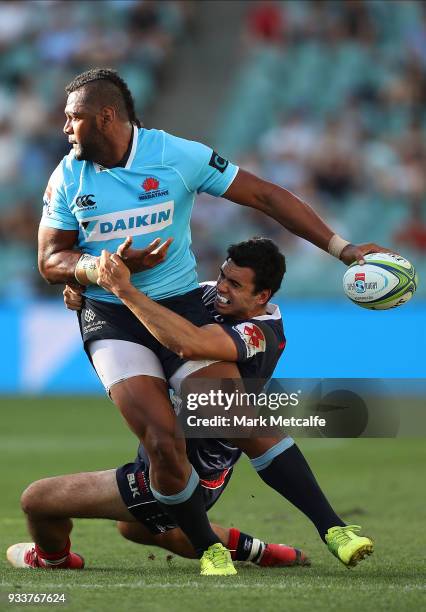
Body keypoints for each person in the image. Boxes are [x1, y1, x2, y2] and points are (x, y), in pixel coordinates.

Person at [37, 68, 383, 575]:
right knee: (162, 438)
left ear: (106, 116)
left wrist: (343, 248)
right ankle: (211, 549)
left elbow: (264, 195)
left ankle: (334, 527)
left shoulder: (178, 157)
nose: (65, 127)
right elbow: (50, 261)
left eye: (73, 118)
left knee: (233, 417)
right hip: (111, 317)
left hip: (180, 305)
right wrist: (96, 269)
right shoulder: (68, 176)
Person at [7, 238, 309, 571]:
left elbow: (188, 343)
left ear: (262, 296)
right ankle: (263, 552)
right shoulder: (211, 299)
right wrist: (87, 292)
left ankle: (52, 559)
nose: (221, 287)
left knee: (36, 500)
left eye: (234, 284)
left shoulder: (259, 334)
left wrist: (111, 295)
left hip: (185, 465)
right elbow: (149, 309)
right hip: (186, 459)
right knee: (138, 527)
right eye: (222, 276)